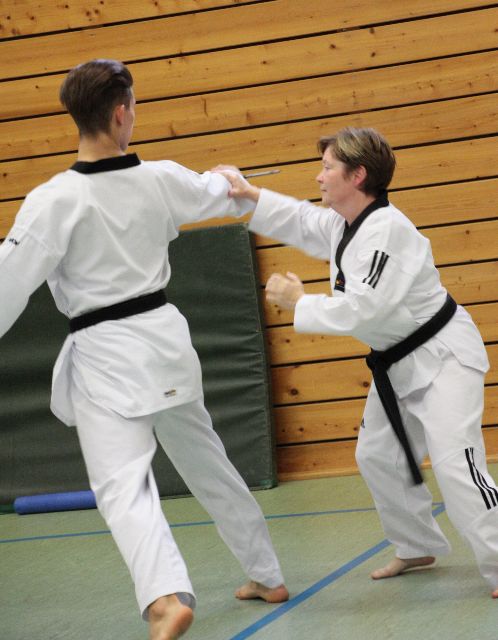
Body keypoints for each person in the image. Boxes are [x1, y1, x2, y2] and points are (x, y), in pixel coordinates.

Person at [0, 59, 288, 640]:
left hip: (108, 357)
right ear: (119, 114)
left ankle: (164, 599)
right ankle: (267, 574)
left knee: (123, 485)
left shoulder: (53, 200)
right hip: (166, 342)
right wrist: (228, 176)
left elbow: (9, 283)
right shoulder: (161, 179)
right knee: (208, 462)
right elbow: (224, 195)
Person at [214, 126, 498, 598]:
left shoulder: (388, 232)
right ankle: (417, 545)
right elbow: (302, 221)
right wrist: (249, 194)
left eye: (328, 168)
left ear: (357, 175)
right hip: (399, 362)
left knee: (456, 465)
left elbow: (365, 309)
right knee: (377, 456)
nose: (319, 176)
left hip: (444, 358)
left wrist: (300, 301)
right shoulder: (345, 223)